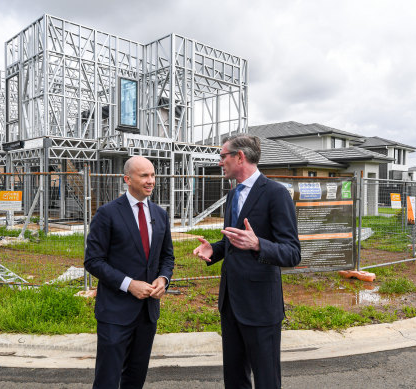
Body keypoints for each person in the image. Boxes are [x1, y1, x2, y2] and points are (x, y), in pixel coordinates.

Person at [193, 134, 301, 388]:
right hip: (230, 304)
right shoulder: (233, 195)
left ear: (239, 157)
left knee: (266, 379)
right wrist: (215, 250)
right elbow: (234, 240)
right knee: (235, 378)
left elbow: (293, 253)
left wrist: (258, 244)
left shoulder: (276, 194)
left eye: (223, 156)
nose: (220, 163)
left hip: (261, 307)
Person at [85, 155, 175, 389]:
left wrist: (163, 279)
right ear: (127, 179)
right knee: (107, 379)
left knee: (135, 378)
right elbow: (93, 260)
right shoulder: (107, 214)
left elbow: (167, 257)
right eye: (144, 175)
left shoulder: (160, 214)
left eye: (153, 175)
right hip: (115, 313)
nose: (151, 180)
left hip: (147, 314)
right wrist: (128, 284)